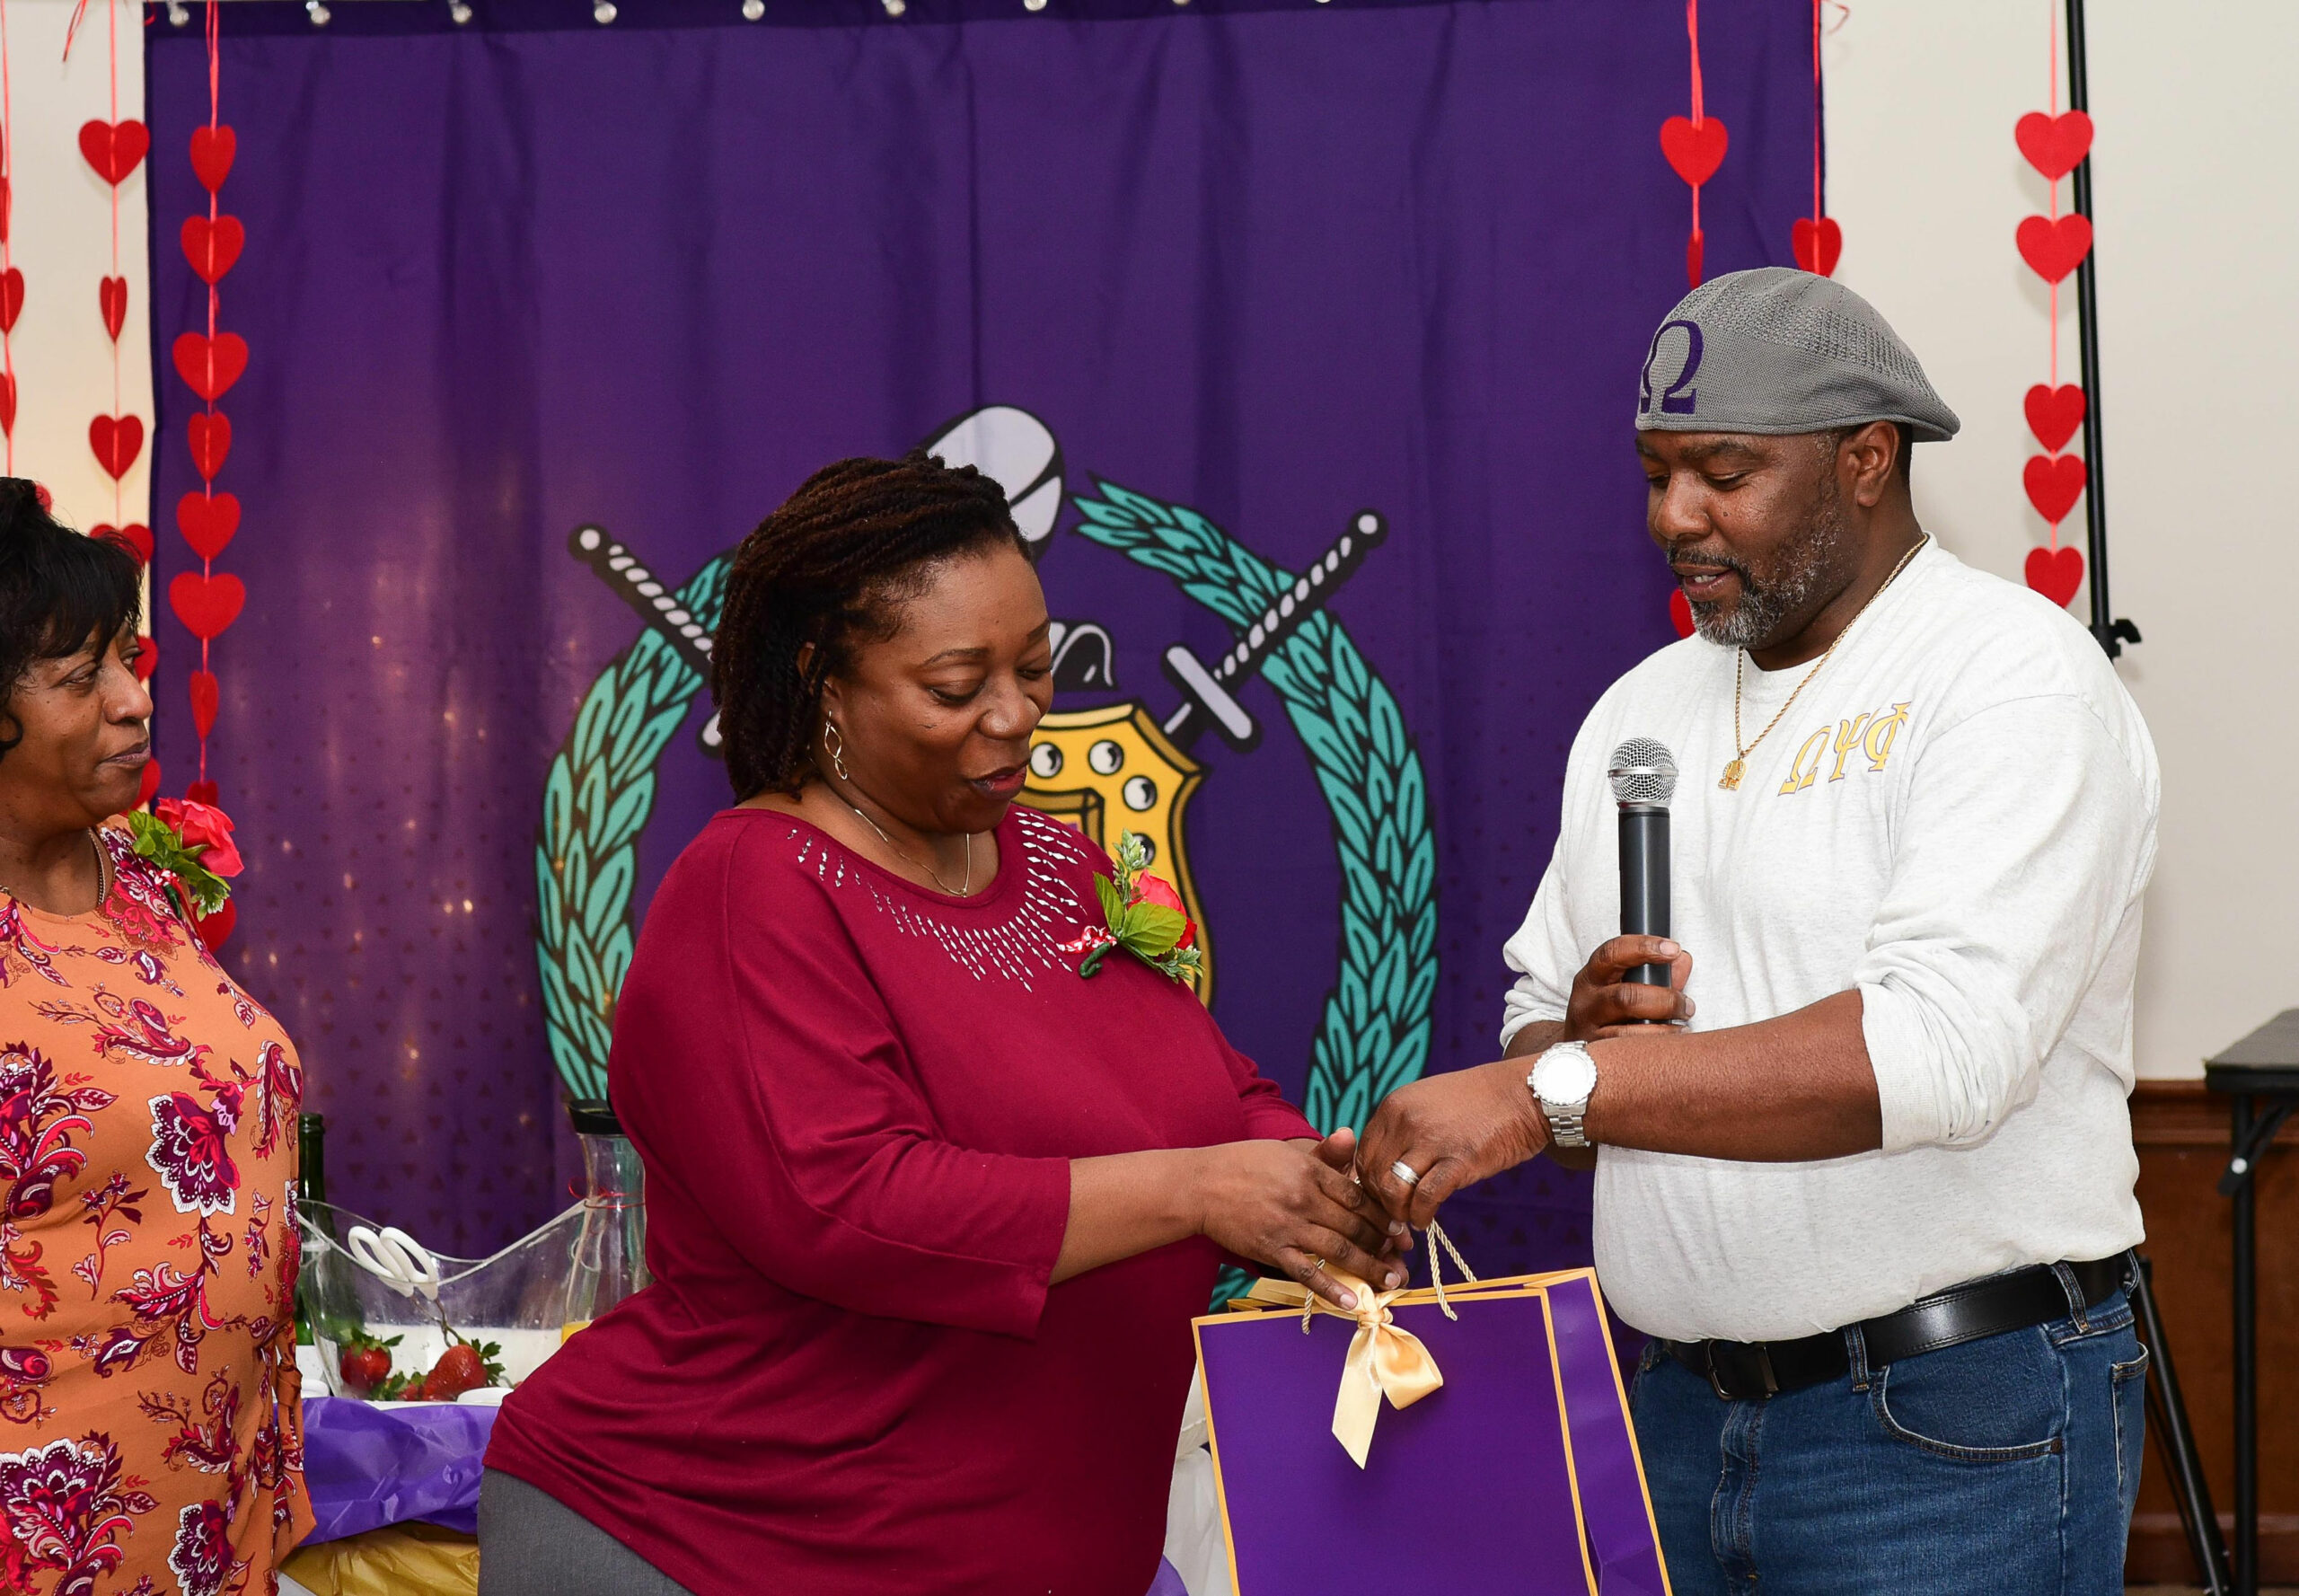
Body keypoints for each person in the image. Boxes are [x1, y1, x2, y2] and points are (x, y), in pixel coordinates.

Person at [1357, 269, 2158, 1594]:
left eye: (1723, 472)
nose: (1675, 516)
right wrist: (1574, 1045)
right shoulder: (1641, 708)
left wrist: (1561, 1086)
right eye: (1656, 473)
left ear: (1865, 458)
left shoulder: (2009, 677)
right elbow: (1542, 1031)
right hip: (1676, 1415)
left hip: (1947, 1426)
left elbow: (1939, 1054)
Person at [482, 452, 1404, 1596]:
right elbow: (848, 1203)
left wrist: (1319, 1187)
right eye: (958, 685)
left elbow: (1213, 1093)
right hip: (725, 1544)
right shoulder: (751, 890)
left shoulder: (1056, 859)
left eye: (1036, 665)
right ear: (824, 682)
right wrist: (1201, 1190)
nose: (1016, 715)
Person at [0, 481, 309, 1592]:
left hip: (211, 1522)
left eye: (129, 662)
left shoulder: (136, 874)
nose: (135, 703)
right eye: (83, 678)